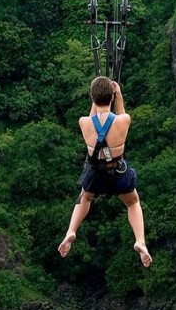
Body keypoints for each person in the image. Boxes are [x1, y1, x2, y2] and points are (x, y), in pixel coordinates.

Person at [57, 76, 152, 268]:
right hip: (117, 172)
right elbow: (121, 114)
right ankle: (140, 241)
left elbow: (93, 119)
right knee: (133, 202)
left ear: (92, 97)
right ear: (112, 97)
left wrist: (97, 98)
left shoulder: (84, 122)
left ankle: (71, 231)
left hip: (95, 174)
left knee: (85, 198)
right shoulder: (123, 121)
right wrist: (119, 96)